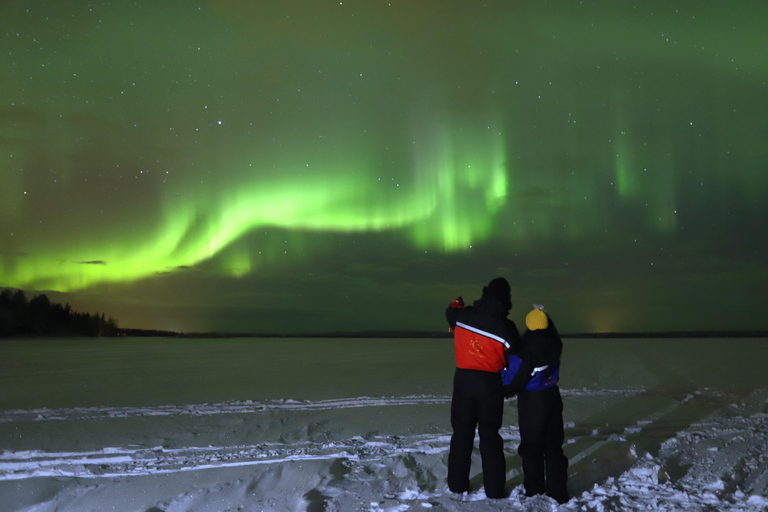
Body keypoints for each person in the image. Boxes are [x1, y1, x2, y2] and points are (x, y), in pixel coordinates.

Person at [445, 277, 521, 499]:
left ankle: (457, 486)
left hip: (463, 381)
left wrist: (457, 302)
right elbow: (516, 360)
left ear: (485, 294)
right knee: (490, 437)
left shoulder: (463, 315)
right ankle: (494, 490)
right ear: (506, 300)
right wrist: (510, 387)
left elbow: (450, 312)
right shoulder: (507, 328)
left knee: (461, 434)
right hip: (490, 385)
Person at [501, 305, 569, 504]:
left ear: (529, 326)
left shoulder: (525, 351)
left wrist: (502, 381)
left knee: (532, 448)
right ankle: (558, 492)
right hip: (552, 395)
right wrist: (544, 315)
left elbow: (514, 382)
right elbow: (551, 330)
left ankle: (534, 489)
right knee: (554, 447)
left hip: (533, 402)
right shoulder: (554, 342)